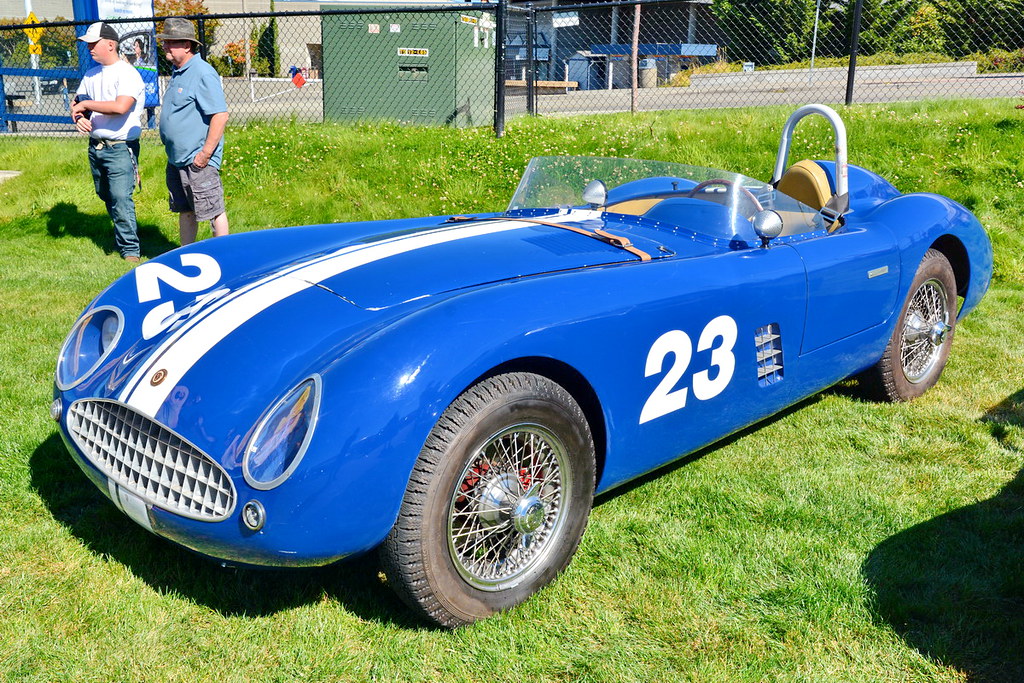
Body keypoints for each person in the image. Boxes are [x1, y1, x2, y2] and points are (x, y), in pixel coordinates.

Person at [71, 21, 145, 263]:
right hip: (96, 147)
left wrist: (86, 106)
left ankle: (130, 254)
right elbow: (77, 102)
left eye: (94, 43)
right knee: (106, 195)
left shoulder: (127, 74)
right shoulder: (91, 74)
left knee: (121, 198)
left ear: (110, 44)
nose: (89, 48)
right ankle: (120, 236)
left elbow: (121, 107)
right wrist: (79, 117)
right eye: (88, 44)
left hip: (121, 148)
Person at [156, 17, 230, 246]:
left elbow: (220, 115)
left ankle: (223, 255)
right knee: (186, 209)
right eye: (165, 42)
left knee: (213, 210)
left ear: (187, 45)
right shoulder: (179, 71)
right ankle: (186, 254)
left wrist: (205, 154)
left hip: (198, 159)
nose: (165, 46)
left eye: (171, 42)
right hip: (178, 158)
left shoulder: (202, 72)